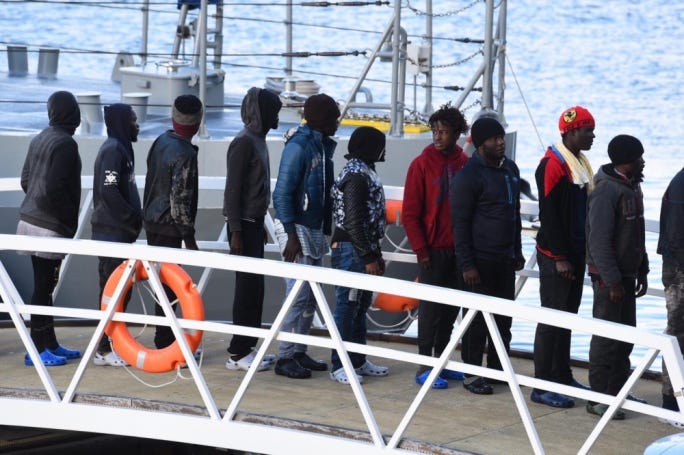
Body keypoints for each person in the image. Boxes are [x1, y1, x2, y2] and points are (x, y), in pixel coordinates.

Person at [451, 117, 524, 395]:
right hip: (478, 261)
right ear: (481, 144)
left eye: (501, 137)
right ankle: (472, 373)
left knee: (503, 320)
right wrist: (467, 264)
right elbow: (460, 223)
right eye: (494, 139)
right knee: (475, 322)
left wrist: (517, 250)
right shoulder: (468, 176)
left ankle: (496, 369)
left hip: (504, 258)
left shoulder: (510, 170)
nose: (500, 142)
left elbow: (514, 214)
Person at [272, 93, 340, 379]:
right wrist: (290, 234)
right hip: (297, 229)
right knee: (297, 295)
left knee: (310, 296)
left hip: (312, 229)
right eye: (335, 117)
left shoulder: (321, 146)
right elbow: (282, 193)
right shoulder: (299, 146)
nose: (338, 122)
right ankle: (284, 355)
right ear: (323, 120)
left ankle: (299, 351)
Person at [531, 106, 595, 408]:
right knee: (551, 318)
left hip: (575, 252)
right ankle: (541, 384)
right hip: (557, 255)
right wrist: (558, 256)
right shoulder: (552, 165)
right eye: (587, 131)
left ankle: (562, 374)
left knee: (566, 317)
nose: (592, 136)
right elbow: (549, 214)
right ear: (571, 132)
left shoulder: (581, 162)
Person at [402, 102, 469, 389]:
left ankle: (442, 362)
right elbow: (410, 213)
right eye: (435, 131)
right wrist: (421, 249)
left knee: (450, 310)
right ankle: (424, 366)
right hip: (431, 251)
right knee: (429, 311)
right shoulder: (420, 165)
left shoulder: (465, 165)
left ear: (457, 134)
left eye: (444, 131)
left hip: (458, 251)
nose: (438, 136)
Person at [16, 90, 83, 367]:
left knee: (43, 286)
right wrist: (67, 222)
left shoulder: (40, 138)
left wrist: (36, 203)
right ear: (72, 114)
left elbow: (25, 180)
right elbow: (57, 189)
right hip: (50, 227)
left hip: (29, 221)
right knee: (44, 288)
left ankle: (49, 343)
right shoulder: (66, 144)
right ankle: (36, 349)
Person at [586, 134, 649, 420]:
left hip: (627, 274)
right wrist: (611, 281)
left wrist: (642, 268)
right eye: (639, 157)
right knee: (607, 337)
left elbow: (638, 233)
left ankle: (618, 390)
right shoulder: (606, 191)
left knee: (626, 336)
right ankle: (599, 397)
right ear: (627, 161)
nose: (643, 161)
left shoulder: (633, 186)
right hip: (608, 278)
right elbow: (598, 240)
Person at [223, 87, 282, 372]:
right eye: (274, 110)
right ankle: (237, 352)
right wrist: (235, 230)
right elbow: (232, 189)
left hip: (254, 223)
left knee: (256, 288)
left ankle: (248, 345)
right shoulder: (244, 142)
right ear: (261, 112)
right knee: (246, 288)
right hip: (243, 225)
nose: (278, 116)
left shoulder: (258, 139)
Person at [329, 126, 389, 384]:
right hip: (351, 251)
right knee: (348, 305)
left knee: (360, 304)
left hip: (361, 249)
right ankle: (339, 364)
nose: (384, 150)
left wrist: (374, 252)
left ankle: (357, 359)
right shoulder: (355, 176)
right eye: (381, 145)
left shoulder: (364, 171)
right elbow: (354, 222)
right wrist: (368, 256)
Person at [143, 94, 203, 349]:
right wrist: (189, 237)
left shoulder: (161, 141)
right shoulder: (185, 153)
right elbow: (180, 198)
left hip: (152, 221)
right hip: (170, 227)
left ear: (173, 118)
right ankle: (165, 339)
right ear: (198, 124)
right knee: (169, 287)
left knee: (161, 283)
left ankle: (163, 336)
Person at [91, 103, 143, 367]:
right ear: (123, 122)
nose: (138, 124)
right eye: (133, 120)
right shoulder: (113, 150)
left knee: (121, 292)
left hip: (120, 234)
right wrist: (132, 217)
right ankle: (103, 348)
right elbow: (109, 190)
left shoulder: (122, 148)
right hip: (111, 234)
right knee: (112, 293)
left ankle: (111, 344)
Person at [657, 167, 684, 428]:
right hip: (679, 270)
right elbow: (676, 236)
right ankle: (670, 402)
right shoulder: (681, 184)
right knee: (677, 335)